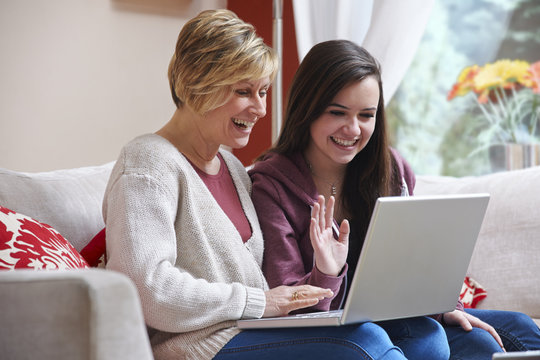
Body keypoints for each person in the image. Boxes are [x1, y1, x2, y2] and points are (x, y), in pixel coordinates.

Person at [103, 10, 417, 360]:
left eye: (263, 92)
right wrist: (260, 302)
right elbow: (145, 290)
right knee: (367, 342)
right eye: (244, 91)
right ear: (197, 85)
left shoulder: (236, 170)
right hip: (200, 346)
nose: (260, 109)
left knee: (426, 338)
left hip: (258, 333)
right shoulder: (148, 164)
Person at [249, 39, 540, 360]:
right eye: (337, 112)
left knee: (512, 328)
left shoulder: (391, 169)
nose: (353, 128)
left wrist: (446, 307)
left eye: (366, 115)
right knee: (428, 341)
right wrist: (325, 272)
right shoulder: (270, 184)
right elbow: (292, 308)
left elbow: (418, 264)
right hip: (332, 331)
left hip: (396, 318)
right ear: (307, 108)